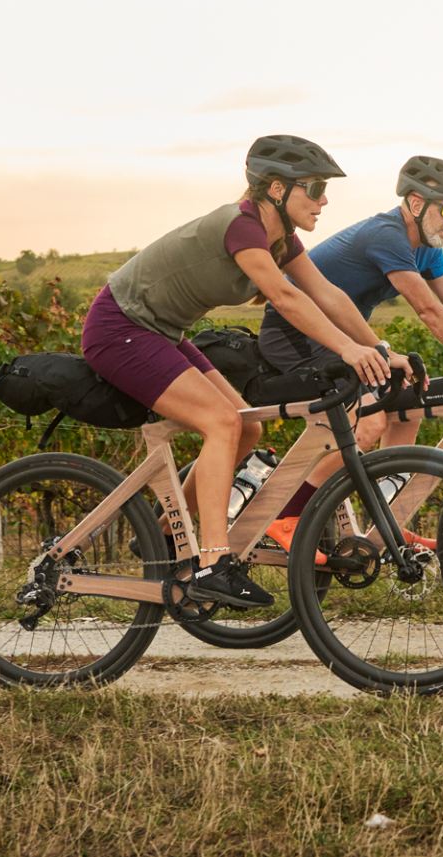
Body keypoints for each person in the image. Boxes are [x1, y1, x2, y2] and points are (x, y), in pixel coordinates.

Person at [81, 135, 405, 607]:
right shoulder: (242, 228)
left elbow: (327, 293)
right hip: (120, 328)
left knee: (245, 426)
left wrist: (375, 347)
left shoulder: (281, 238)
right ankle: (214, 564)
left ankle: (163, 535)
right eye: (314, 188)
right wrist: (349, 351)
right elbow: (287, 297)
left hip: (161, 331)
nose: (324, 199)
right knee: (222, 422)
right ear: (277, 189)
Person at [254, 155, 443, 546]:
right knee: (370, 423)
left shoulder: (426, 246)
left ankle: (386, 524)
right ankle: (287, 514)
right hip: (293, 333)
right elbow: (429, 311)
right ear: (416, 204)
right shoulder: (386, 235)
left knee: (405, 405)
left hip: (339, 335)